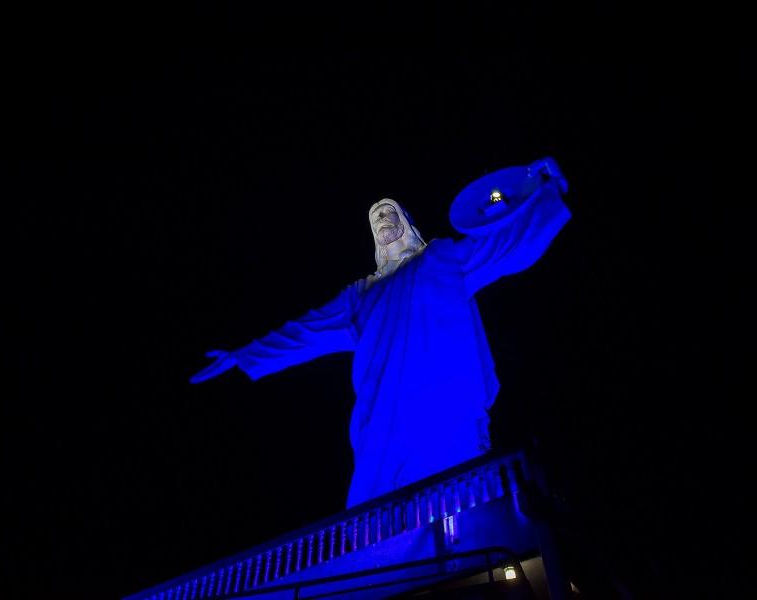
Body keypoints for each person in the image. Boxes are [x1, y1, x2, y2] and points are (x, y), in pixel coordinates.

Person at [191, 157, 571, 508]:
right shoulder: (361, 294)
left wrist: (545, 191)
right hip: (384, 409)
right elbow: (304, 331)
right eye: (376, 222)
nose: (383, 223)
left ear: (405, 221)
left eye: (388, 214)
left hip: (441, 394)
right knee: (382, 495)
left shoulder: (440, 257)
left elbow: (501, 247)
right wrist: (244, 355)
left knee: (454, 475)